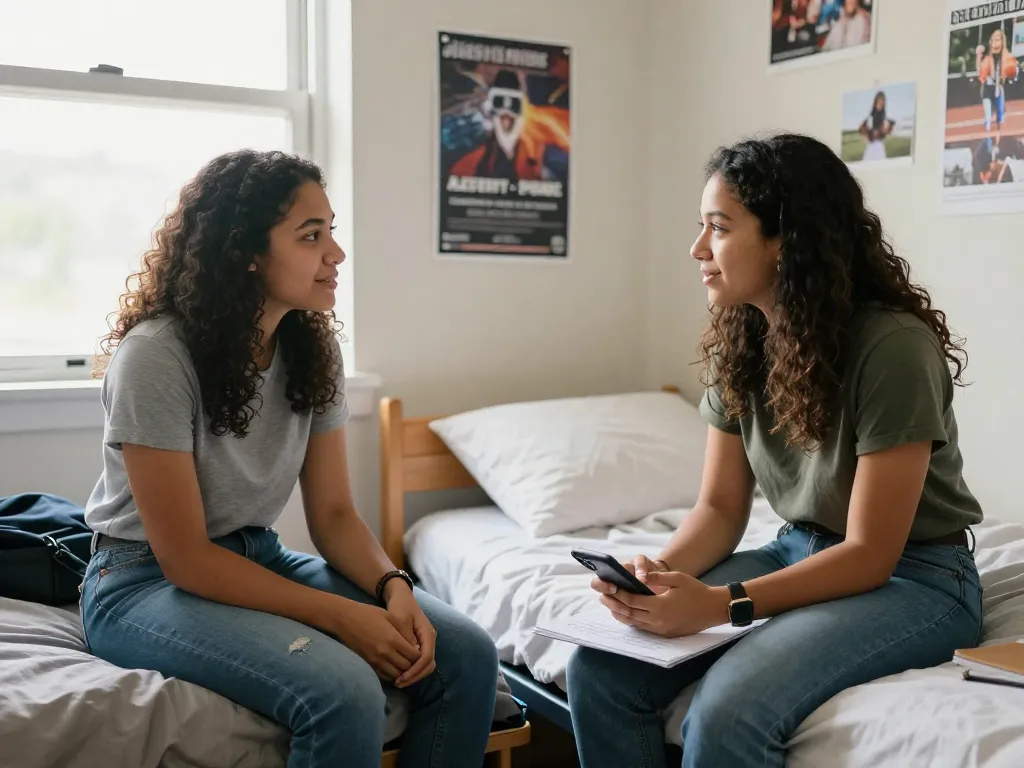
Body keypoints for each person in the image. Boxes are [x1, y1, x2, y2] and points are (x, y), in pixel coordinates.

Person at [565, 133, 984, 768]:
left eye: (719, 228)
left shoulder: (894, 348)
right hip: (801, 548)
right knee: (600, 668)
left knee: (729, 714)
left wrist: (718, 604)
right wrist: (656, 580)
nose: (697, 250)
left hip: (916, 578)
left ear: (786, 238)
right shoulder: (744, 340)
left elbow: (872, 554)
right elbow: (718, 510)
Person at [79, 149, 500, 768]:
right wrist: (342, 619)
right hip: (142, 582)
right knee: (345, 693)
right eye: (311, 236)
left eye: (332, 232)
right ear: (245, 253)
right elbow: (187, 558)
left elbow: (332, 513)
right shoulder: (156, 358)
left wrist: (393, 585)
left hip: (258, 557)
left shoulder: (309, 347)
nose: (336, 254)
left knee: (468, 654)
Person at [858, 90, 895, 161]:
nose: (881, 102)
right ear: (876, 101)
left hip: (879, 145)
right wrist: (867, 133)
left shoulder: (884, 117)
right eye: (879, 100)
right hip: (871, 145)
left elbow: (886, 131)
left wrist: (886, 130)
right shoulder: (870, 116)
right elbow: (861, 129)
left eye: (882, 100)